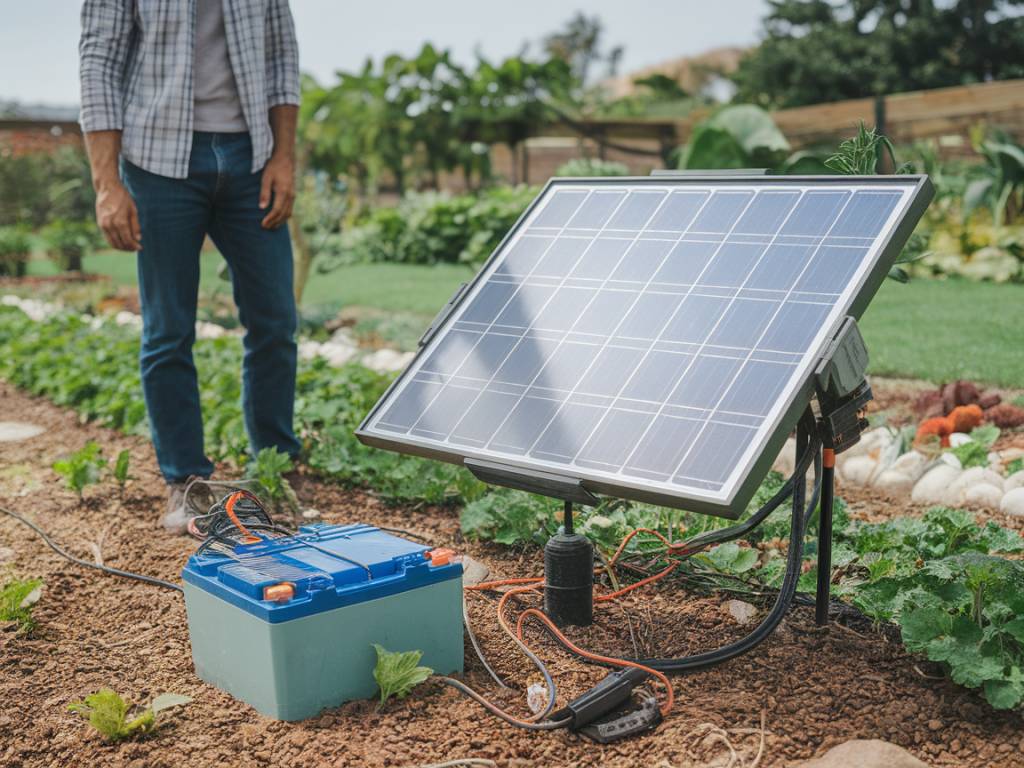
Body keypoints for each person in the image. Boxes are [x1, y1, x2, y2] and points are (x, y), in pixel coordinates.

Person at [78, 0, 302, 533]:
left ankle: (274, 468)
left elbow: (280, 58)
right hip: (158, 162)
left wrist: (285, 156)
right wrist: (107, 185)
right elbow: (99, 64)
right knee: (168, 329)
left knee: (275, 320)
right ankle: (187, 482)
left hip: (253, 157)